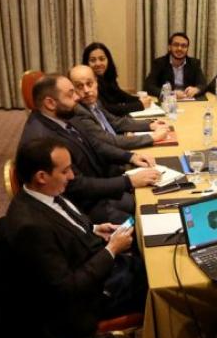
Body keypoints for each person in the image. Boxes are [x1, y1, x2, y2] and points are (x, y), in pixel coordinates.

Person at [5, 137, 147, 338]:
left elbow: (63, 228)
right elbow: (67, 289)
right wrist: (111, 250)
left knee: (152, 258)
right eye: (65, 171)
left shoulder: (45, 193)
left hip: (100, 267)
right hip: (88, 302)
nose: (71, 176)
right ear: (42, 176)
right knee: (163, 286)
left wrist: (94, 229)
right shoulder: (31, 227)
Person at [19, 74, 160, 223]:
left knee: (151, 199)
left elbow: (95, 144)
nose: (78, 97)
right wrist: (128, 182)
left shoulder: (64, 114)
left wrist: (130, 156)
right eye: (70, 94)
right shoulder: (43, 141)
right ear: (50, 103)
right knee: (145, 218)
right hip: (82, 206)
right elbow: (75, 185)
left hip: (96, 186)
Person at [68, 65, 170, 150]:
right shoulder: (79, 112)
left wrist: (150, 125)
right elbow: (110, 141)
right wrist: (152, 137)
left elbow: (116, 123)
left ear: (96, 82)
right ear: (72, 89)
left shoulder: (95, 101)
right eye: (79, 86)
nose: (86, 90)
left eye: (89, 83)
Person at [82, 42, 151, 116]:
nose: (98, 64)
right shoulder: (87, 83)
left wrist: (139, 99)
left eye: (102, 59)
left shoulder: (107, 76)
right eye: (93, 60)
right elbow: (105, 109)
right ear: (86, 63)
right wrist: (139, 105)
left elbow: (119, 95)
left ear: (108, 60)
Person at [143, 32, 207, 99]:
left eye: (184, 46)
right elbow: (148, 86)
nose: (179, 48)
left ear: (187, 49)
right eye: (176, 45)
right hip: (167, 101)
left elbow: (203, 84)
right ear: (169, 47)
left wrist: (196, 89)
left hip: (188, 100)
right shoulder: (159, 63)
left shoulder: (194, 63)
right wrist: (170, 94)